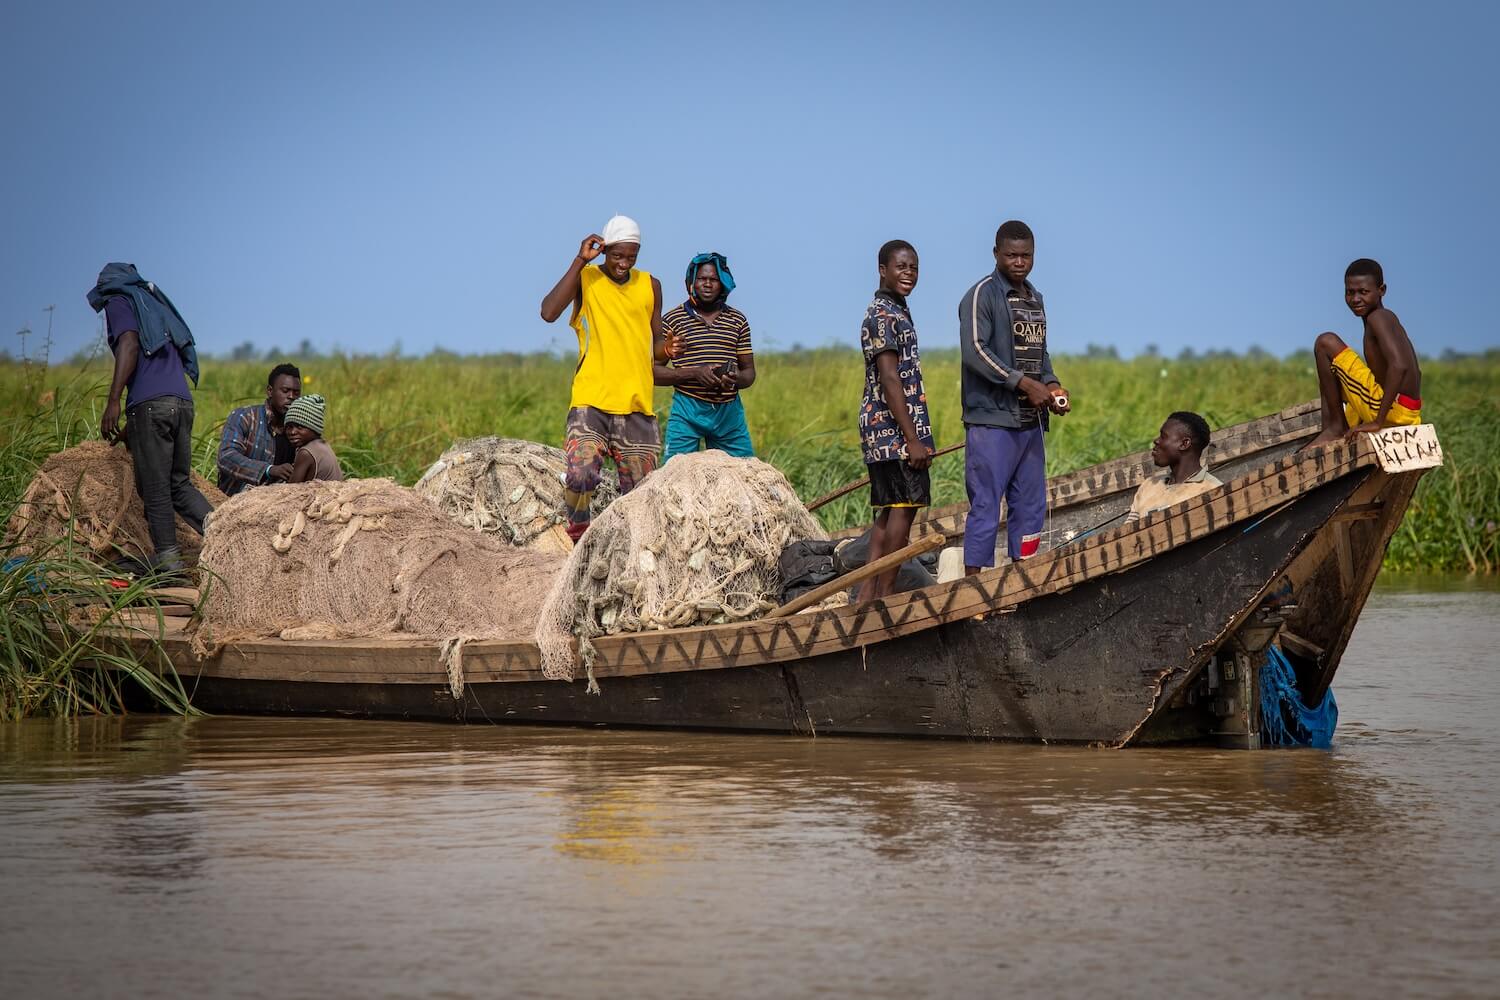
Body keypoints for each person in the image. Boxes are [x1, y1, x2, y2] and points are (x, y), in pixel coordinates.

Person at [538, 215, 680, 542]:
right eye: (617, 255)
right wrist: (579, 260)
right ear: (604, 250)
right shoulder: (586, 279)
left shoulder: (650, 285)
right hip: (592, 402)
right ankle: (578, 539)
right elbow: (548, 312)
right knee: (581, 475)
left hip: (636, 406)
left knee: (640, 494)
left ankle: (626, 551)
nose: (623, 263)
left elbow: (654, 347)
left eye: (631, 257)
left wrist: (667, 350)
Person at [957, 220, 1070, 574]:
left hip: (1030, 423)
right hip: (993, 421)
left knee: (1031, 506)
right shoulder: (981, 295)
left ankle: (1025, 581)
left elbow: (1041, 353)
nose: (1019, 262)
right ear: (996, 254)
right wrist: (1024, 384)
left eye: (1026, 256)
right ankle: (974, 592)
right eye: (1012, 255)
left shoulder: (1035, 298)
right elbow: (975, 351)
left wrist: (1050, 385)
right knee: (987, 505)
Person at [88, 262, 213, 575]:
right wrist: (135, 425)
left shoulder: (119, 300)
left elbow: (129, 344)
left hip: (152, 406)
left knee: (155, 488)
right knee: (178, 484)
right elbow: (156, 369)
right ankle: (228, 539)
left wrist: (114, 400)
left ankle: (168, 561)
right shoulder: (153, 304)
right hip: (181, 403)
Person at [855, 240, 934, 603]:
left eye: (914, 268)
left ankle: (868, 595)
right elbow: (889, 379)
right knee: (903, 510)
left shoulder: (896, 311)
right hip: (891, 430)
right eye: (901, 267)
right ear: (882, 270)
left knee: (889, 514)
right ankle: (884, 597)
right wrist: (912, 439)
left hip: (888, 430)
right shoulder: (883, 316)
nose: (909, 274)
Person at [1306, 258, 1423, 447]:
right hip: (1408, 410)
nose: (1355, 299)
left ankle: (1334, 428)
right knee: (1333, 376)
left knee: (1325, 342)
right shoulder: (1387, 318)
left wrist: (1377, 422)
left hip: (1392, 410)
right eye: (1349, 292)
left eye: (1363, 292)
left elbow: (1399, 366)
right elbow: (1417, 373)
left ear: (1382, 290)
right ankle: (1334, 427)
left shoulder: (1378, 318)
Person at [656, 252, 757, 461]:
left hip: (729, 411)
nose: (708, 284)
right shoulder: (673, 320)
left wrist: (735, 379)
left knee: (745, 473)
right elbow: (653, 372)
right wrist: (694, 373)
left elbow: (749, 373)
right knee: (674, 476)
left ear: (723, 284)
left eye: (714, 280)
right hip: (687, 409)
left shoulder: (737, 320)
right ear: (692, 282)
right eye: (702, 279)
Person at [217, 363, 302, 495]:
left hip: (275, 505)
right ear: (269, 391)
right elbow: (226, 457)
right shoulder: (245, 417)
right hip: (233, 502)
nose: (291, 397)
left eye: (296, 393)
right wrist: (268, 470)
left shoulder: (299, 429)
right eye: (285, 391)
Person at [1125, 411, 1222, 524]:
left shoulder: (1213, 490)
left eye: (1163, 436)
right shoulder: (1148, 486)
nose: (1156, 441)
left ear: (1184, 444)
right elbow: (1128, 533)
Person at [282, 394, 344, 483]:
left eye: (300, 427)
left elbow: (290, 491)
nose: (292, 432)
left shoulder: (305, 453)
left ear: (314, 428)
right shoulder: (322, 445)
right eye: (289, 427)